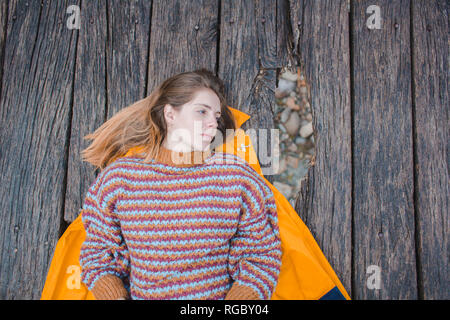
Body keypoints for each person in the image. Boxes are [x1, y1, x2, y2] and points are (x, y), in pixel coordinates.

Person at [78, 69, 282, 300]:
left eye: (215, 117)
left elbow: (261, 257)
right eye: (201, 112)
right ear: (170, 114)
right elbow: (98, 254)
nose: (212, 124)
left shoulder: (235, 177)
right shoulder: (119, 178)